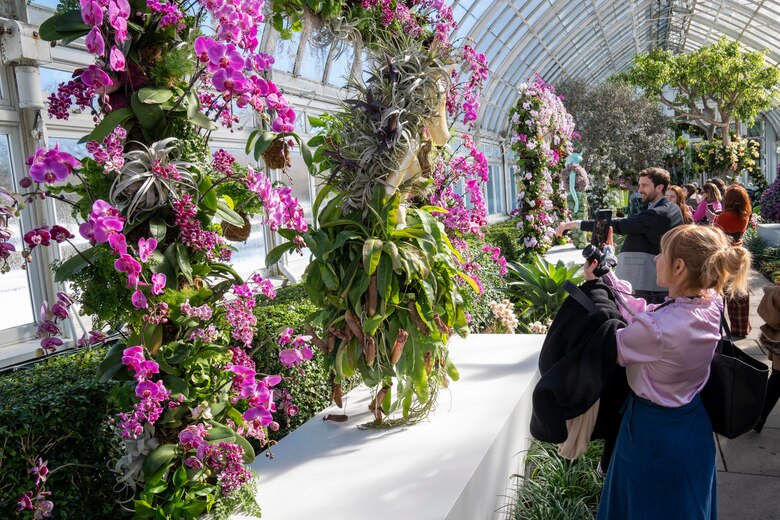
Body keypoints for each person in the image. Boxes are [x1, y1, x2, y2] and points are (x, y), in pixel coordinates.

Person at [590, 224, 751, 520]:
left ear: (678, 266)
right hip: (692, 425)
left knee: (642, 507)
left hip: (651, 434)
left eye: (661, 254)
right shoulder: (712, 303)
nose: (655, 259)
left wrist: (596, 288)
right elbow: (646, 313)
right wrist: (609, 276)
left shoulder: (655, 331)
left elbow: (612, 346)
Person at [556, 167, 683, 304]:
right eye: (640, 185)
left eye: (644, 185)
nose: (640, 190)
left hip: (647, 282)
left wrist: (577, 224)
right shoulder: (673, 208)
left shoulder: (657, 213)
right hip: (655, 280)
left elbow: (620, 225)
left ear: (659, 188)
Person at [711, 185, 752, 337]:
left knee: (722, 292)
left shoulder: (724, 217)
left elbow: (717, 237)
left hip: (726, 256)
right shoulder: (745, 215)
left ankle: (718, 328)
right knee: (739, 292)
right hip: (740, 254)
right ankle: (741, 328)